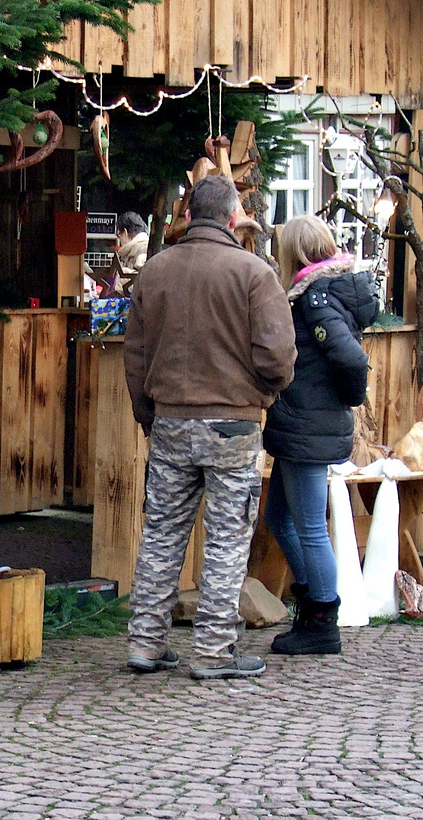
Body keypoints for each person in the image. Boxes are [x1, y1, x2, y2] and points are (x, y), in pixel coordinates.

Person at [123, 176, 296, 678]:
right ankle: (214, 652)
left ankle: (145, 644)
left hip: (171, 420)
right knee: (225, 540)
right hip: (233, 426)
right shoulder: (254, 273)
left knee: (160, 534)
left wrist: (147, 415)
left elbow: (134, 356)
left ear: (190, 213)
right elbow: (278, 357)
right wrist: (265, 393)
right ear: (231, 216)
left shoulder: (154, 272)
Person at [262, 216, 378, 656]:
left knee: (311, 527)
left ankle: (322, 622)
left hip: (308, 424)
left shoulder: (314, 297)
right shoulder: (323, 293)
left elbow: (350, 359)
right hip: (305, 421)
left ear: (296, 253)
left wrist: (347, 399)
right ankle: (311, 601)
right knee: (280, 518)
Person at [112, 212, 149, 294]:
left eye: (119, 235)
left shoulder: (142, 250)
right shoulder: (145, 247)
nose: (119, 240)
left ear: (125, 233)